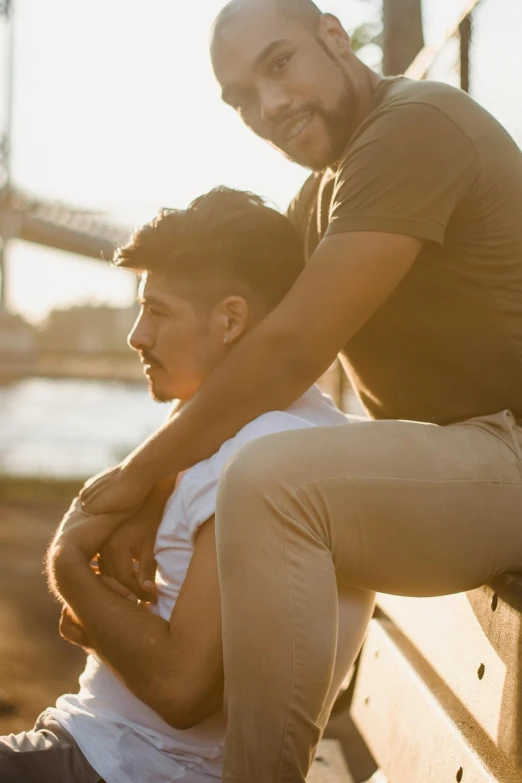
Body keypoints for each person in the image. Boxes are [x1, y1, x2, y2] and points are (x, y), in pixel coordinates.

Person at [80, 0, 522, 780]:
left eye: (278, 64)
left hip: (509, 449)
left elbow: (285, 353)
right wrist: (151, 499)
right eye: (242, 98)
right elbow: (242, 347)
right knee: (272, 469)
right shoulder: (325, 195)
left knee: (276, 481)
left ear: (332, 34)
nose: (270, 106)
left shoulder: (417, 125)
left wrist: (133, 478)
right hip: (465, 465)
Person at [0, 188, 373, 783]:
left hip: (125, 765)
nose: (137, 336)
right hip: (102, 749)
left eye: (158, 310)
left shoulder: (263, 455)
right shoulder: (255, 432)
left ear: (230, 320)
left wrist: (69, 563)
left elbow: (181, 690)